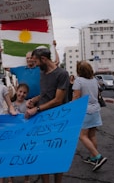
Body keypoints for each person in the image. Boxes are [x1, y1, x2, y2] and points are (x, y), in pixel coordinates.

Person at [24, 48, 70, 183]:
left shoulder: (62, 74)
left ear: (43, 59)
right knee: (42, 154)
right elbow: (45, 94)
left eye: (36, 61)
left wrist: (36, 109)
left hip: (58, 121)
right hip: (42, 121)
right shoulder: (42, 73)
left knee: (57, 155)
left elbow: (58, 100)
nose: (35, 64)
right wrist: (34, 100)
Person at [72, 61, 107, 172]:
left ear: (79, 71)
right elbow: (97, 95)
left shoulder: (78, 81)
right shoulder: (94, 80)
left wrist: (71, 109)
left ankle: (98, 157)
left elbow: (76, 97)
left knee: (82, 136)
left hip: (85, 111)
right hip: (95, 110)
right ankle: (92, 157)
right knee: (92, 135)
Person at [8, 83, 30, 183]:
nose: (22, 94)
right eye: (20, 91)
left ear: (27, 94)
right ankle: (10, 178)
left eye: (24, 93)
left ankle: (26, 179)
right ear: (16, 91)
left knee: (25, 156)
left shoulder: (28, 104)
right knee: (11, 156)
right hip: (12, 136)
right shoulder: (10, 105)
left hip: (24, 135)